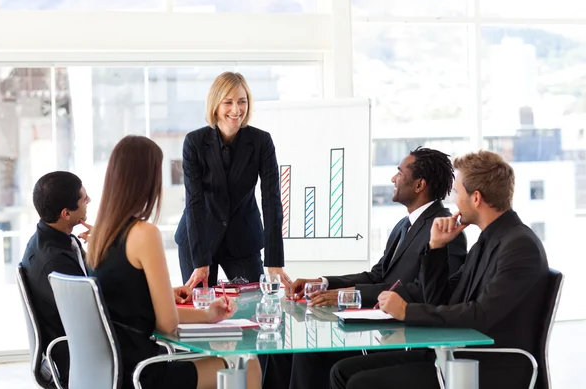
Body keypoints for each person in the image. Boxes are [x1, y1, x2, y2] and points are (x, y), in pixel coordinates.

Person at [330, 150, 549, 389]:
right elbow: (442, 298)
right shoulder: (488, 241)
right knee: (342, 372)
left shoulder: (519, 245)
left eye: (457, 192)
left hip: (486, 366)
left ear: (476, 198)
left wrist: (407, 312)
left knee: (361, 383)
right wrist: (435, 248)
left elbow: (481, 315)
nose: (453, 200)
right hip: (455, 356)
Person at [88, 135, 262, 389]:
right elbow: (166, 322)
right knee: (246, 364)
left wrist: (207, 314)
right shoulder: (144, 234)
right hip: (144, 373)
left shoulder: (99, 237)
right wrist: (203, 314)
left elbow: (138, 310)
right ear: (146, 181)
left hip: (111, 371)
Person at [286, 147, 467, 389]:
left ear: (419, 185)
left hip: (407, 342)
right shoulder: (404, 225)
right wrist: (323, 282)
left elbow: (428, 292)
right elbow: (377, 275)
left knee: (311, 355)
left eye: (400, 173)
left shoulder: (444, 231)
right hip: (383, 333)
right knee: (299, 353)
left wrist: (348, 296)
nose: (393, 179)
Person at [175, 72, 290, 289]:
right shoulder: (194, 142)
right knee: (202, 309)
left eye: (242, 101)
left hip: (243, 239)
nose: (236, 109)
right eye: (228, 102)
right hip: (199, 238)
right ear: (215, 105)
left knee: (255, 308)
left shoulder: (261, 142)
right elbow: (194, 202)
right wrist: (200, 260)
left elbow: (272, 200)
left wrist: (274, 261)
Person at [21, 171, 91, 386]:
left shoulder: (51, 242)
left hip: (76, 350)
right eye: (83, 198)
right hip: (80, 361)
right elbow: (93, 315)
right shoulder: (55, 263)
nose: (89, 200)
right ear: (66, 214)